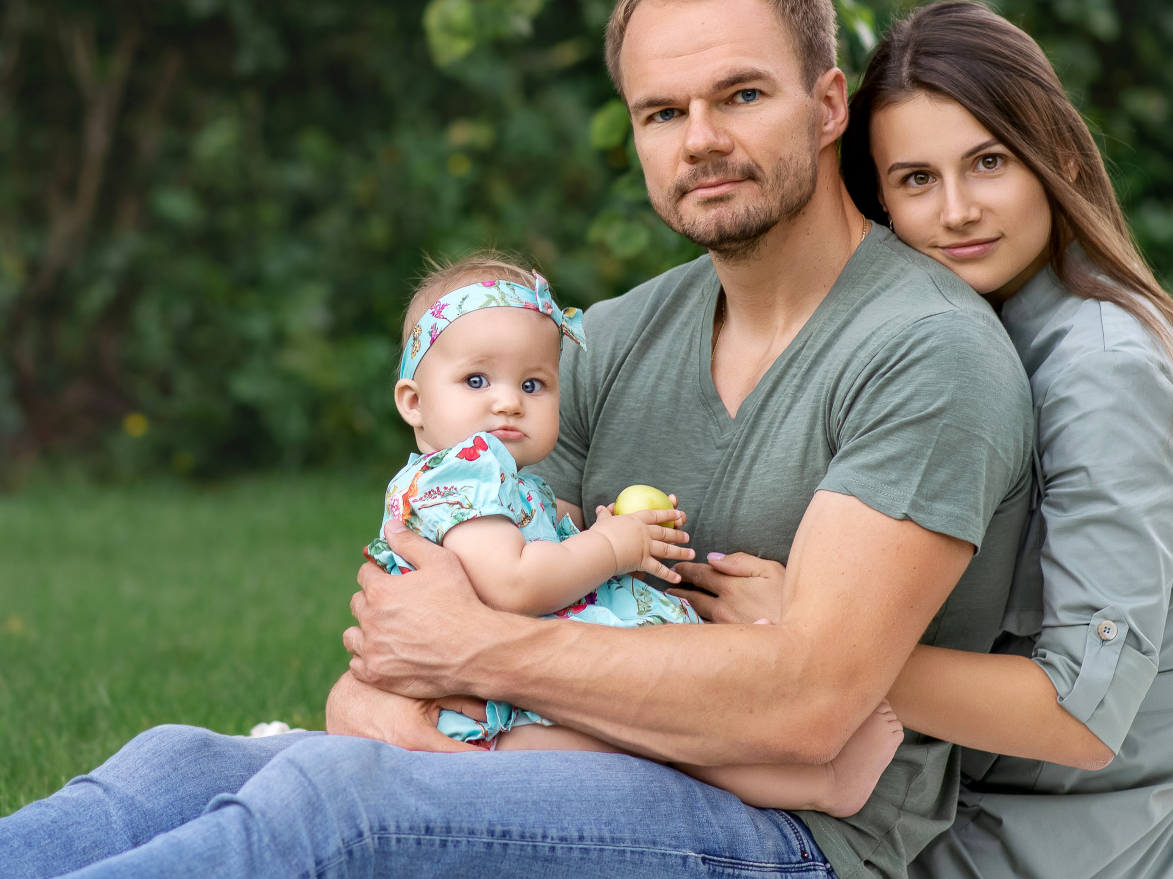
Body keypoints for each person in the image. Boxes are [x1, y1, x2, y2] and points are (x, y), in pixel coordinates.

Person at [0, 0, 1034, 879]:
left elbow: (807, 709)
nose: (702, 140)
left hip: (799, 839)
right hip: (582, 753)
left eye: (741, 95)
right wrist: (407, 696)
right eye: (660, 111)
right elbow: (399, 632)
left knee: (333, 808)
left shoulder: (921, 351)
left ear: (829, 104)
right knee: (178, 761)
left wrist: (476, 655)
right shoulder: (605, 340)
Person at [679, 0, 1173, 879]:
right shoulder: (947, 335)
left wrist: (810, 643)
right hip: (907, 789)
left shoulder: (1106, 369)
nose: (956, 212)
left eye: (987, 163)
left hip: (1033, 840)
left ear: (1055, 158)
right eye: (913, 180)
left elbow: (1079, 717)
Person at [362, 252, 904, 815]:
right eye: (476, 379)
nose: (508, 401)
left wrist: (593, 532)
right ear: (414, 402)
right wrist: (611, 547)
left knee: (666, 732)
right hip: (500, 721)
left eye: (533, 383)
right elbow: (513, 584)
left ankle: (813, 779)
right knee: (658, 739)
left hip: (513, 690)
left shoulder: (501, 479)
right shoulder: (463, 471)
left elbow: (525, 558)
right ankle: (821, 787)